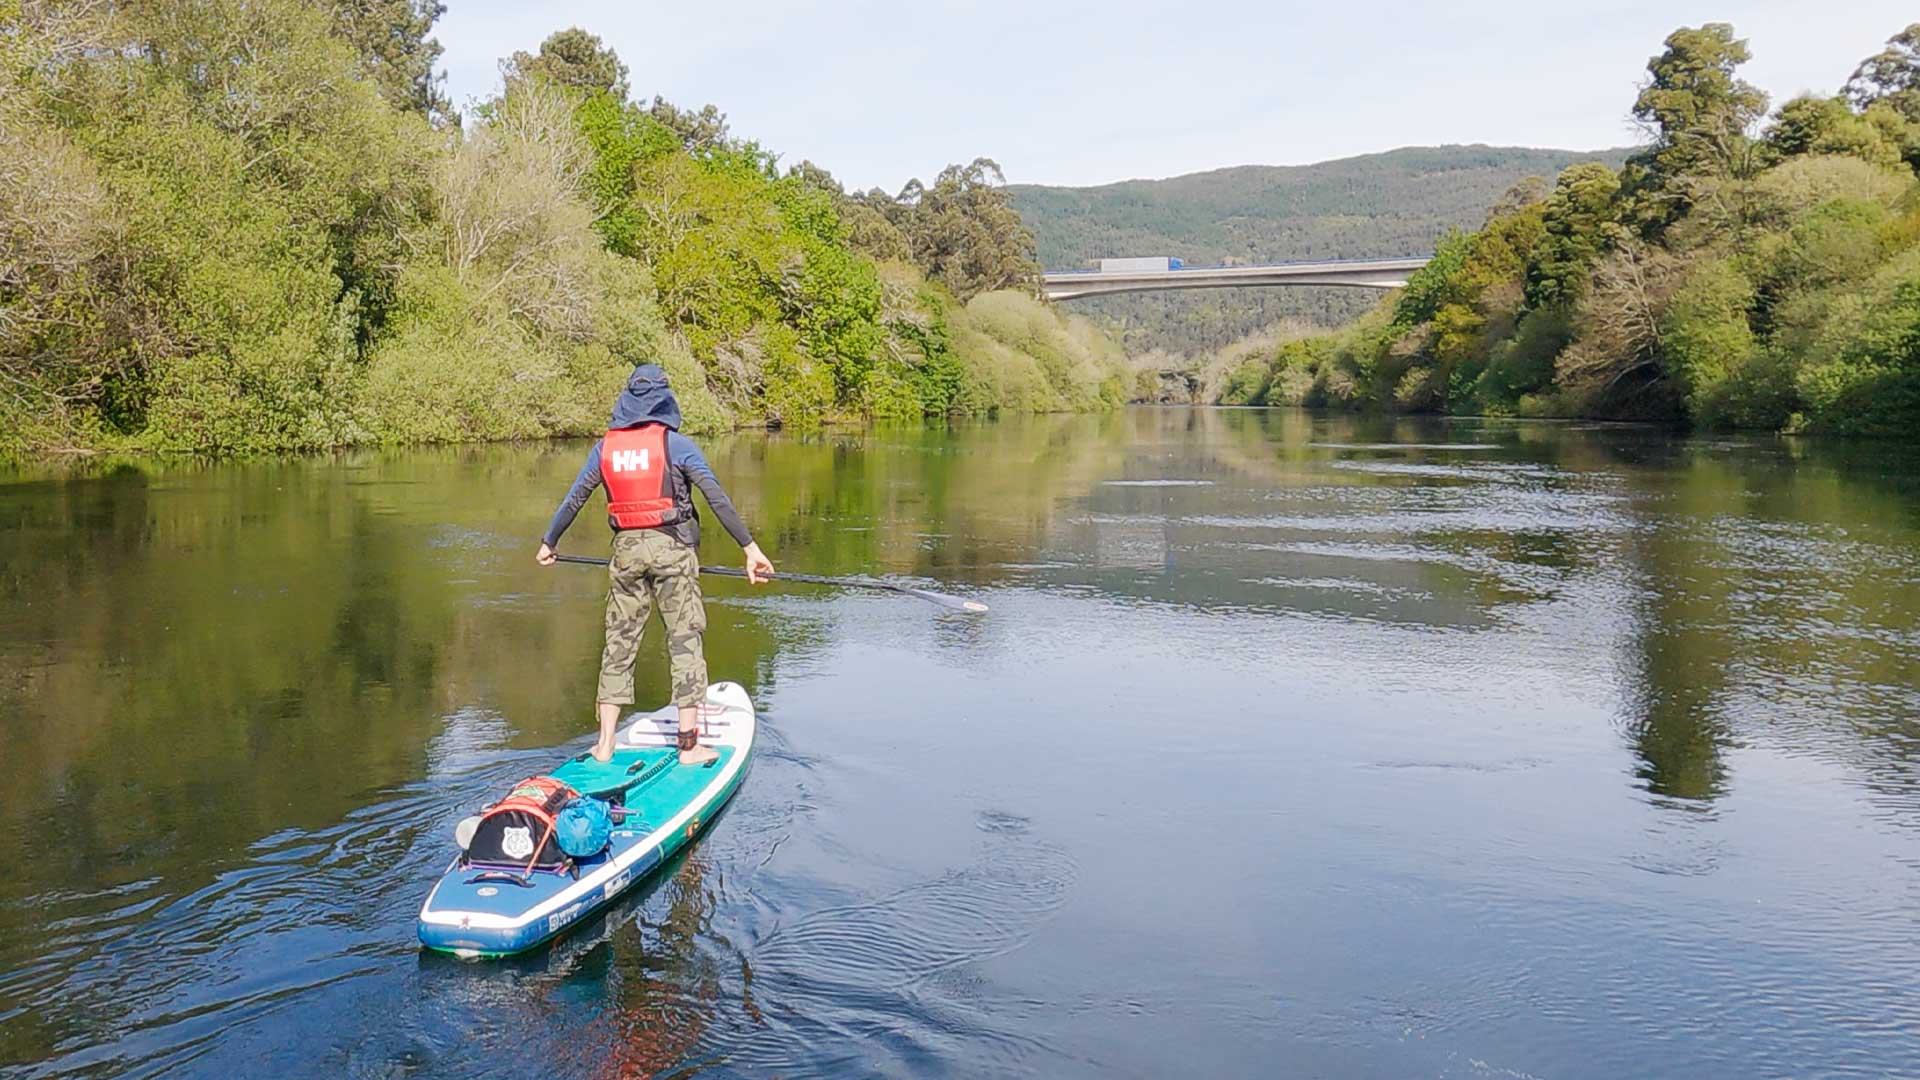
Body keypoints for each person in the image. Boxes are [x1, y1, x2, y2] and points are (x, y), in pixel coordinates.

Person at [537, 364, 773, 766]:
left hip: (625, 554)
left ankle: (606, 743)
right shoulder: (675, 444)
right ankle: (688, 746)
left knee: (619, 643)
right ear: (665, 401)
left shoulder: (605, 448)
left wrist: (549, 541)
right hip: (673, 550)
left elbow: (575, 497)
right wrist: (749, 548)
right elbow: (715, 497)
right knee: (684, 638)